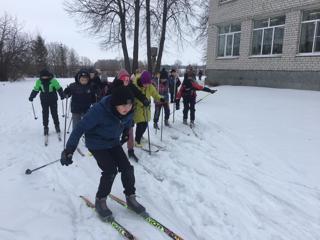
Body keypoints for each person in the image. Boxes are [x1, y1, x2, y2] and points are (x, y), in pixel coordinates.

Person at [60, 86, 146, 220]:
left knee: (127, 168)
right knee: (110, 170)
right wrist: (69, 149)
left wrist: (125, 133)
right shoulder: (99, 111)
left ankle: (130, 197)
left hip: (113, 142)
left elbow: (128, 121)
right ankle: (100, 200)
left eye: (129, 104)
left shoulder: (129, 110)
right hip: (97, 143)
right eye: (123, 105)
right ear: (115, 103)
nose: (127, 108)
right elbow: (79, 128)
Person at [109, 69, 150, 161]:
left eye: (127, 79)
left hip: (128, 114)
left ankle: (130, 150)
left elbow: (139, 94)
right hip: (116, 115)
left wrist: (144, 100)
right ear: (119, 79)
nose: (126, 81)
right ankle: (112, 149)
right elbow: (107, 98)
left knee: (129, 132)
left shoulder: (131, 86)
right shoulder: (114, 86)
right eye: (123, 79)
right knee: (114, 132)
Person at [29, 69, 64, 135]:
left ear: (49, 75)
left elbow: (59, 88)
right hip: (44, 99)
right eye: (43, 76)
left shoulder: (53, 80)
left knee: (54, 113)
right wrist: (32, 96)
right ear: (41, 76)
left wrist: (62, 95)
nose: (45, 77)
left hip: (53, 98)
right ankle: (45, 127)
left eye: (46, 76)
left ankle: (57, 126)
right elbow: (36, 89)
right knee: (45, 113)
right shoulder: (39, 81)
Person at [133, 71, 164, 147]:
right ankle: (137, 141)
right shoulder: (135, 86)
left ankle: (140, 136)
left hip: (147, 108)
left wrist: (160, 98)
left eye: (148, 83)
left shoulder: (150, 86)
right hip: (138, 109)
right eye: (145, 83)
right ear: (141, 81)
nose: (146, 85)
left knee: (145, 125)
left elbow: (155, 94)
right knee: (140, 125)